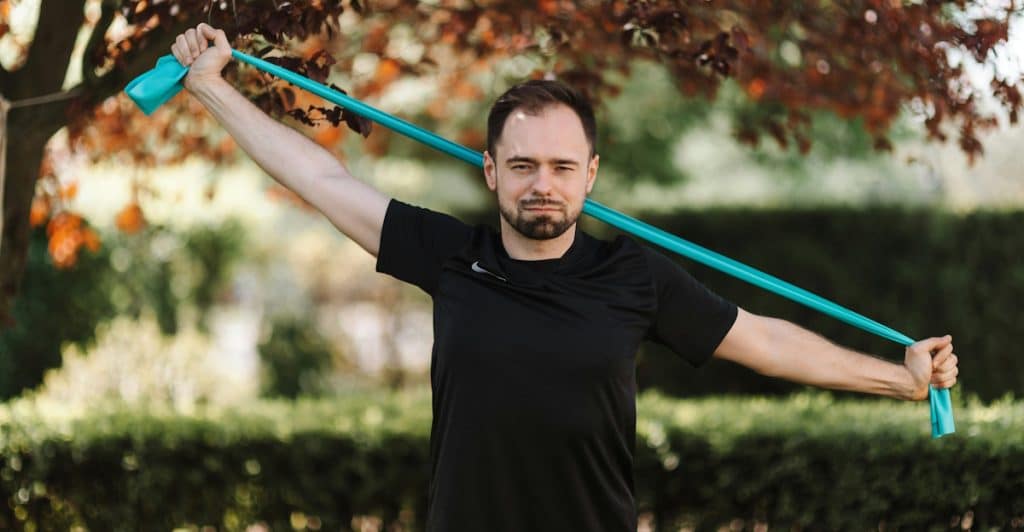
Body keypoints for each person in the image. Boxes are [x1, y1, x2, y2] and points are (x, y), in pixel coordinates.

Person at [171, 23, 959, 531]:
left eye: (559, 166)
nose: (540, 183)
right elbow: (324, 181)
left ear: (591, 175)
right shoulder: (451, 256)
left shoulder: (635, 276)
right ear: (489, 172)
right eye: (521, 165)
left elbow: (767, 343)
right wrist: (209, 86)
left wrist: (901, 379)